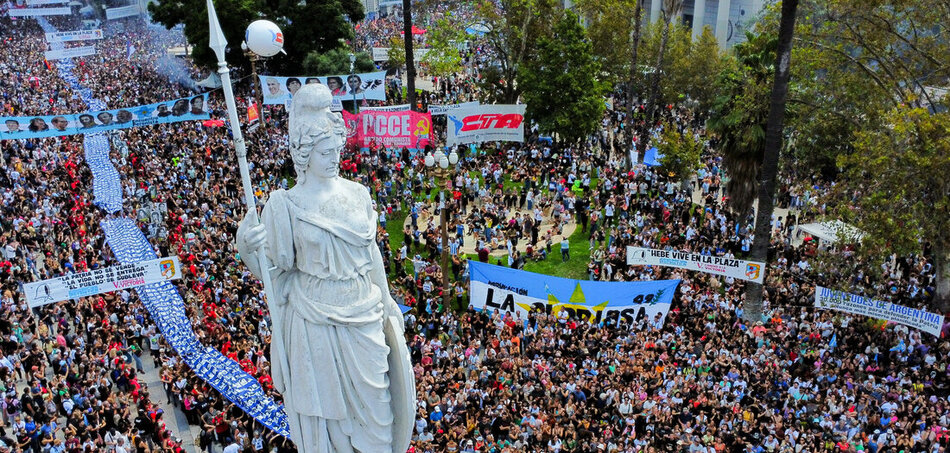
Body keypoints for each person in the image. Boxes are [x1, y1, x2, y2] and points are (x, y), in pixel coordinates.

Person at [236, 83, 414, 453]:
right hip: (314, 320)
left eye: (336, 149)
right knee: (328, 425)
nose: (333, 157)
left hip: (363, 312)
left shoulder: (357, 194)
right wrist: (247, 248)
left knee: (378, 419)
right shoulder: (285, 206)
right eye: (324, 151)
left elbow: (372, 255)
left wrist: (388, 299)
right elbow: (272, 273)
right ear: (304, 152)